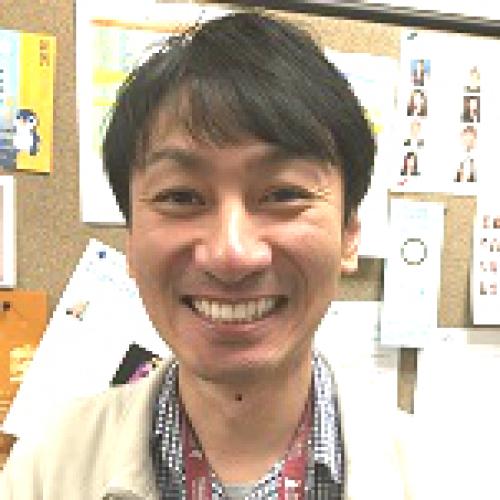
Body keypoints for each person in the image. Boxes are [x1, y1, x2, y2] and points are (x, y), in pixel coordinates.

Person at [0, 11, 411, 500]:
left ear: (349, 235)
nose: (231, 254)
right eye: (181, 197)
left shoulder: (451, 474)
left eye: (283, 194)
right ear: (131, 242)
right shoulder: (46, 469)